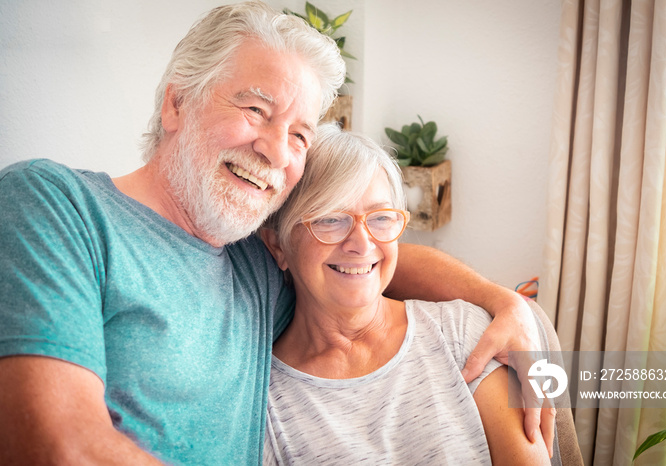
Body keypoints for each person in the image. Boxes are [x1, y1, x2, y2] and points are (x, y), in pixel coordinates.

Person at [0, 2, 551, 464]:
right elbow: (57, 446)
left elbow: (365, 255)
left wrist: (503, 303)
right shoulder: (55, 205)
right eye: (255, 109)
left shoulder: (252, 258)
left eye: (298, 134)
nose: (273, 149)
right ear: (177, 103)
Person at [260, 124, 551, 465]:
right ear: (278, 245)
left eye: (381, 217)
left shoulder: (464, 333)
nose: (362, 243)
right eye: (330, 218)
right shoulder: (265, 407)